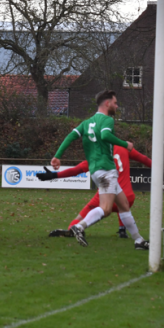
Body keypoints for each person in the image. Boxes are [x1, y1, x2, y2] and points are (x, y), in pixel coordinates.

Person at [51, 90, 146, 248]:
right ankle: (79, 226)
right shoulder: (107, 120)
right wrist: (125, 144)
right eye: (115, 103)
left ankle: (139, 240)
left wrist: (57, 155)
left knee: (123, 205)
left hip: (96, 170)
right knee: (106, 209)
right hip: (106, 170)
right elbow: (105, 136)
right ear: (107, 103)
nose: (117, 106)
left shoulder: (87, 122)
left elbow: (71, 136)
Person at [41, 145, 151, 247]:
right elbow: (144, 159)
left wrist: (54, 175)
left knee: (81, 218)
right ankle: (135, 238)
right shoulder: (123, 147)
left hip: (106, 195)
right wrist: (162, 171)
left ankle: (75, 228)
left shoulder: (98, 154)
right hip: (128, 196)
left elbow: (76, 170)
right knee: (123, 209)